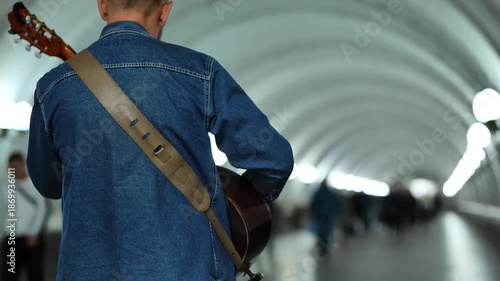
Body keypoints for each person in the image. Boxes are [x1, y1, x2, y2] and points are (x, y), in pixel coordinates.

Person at [26, 0, 294, 280]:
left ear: (103, 6)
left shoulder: (52, 87)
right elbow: (275, 159)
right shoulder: (200, 72)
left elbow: (47, 182)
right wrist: (239, 205)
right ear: (165, 10)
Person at [1, 153, 47, 281]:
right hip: (11, 237)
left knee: (34, 272)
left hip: (31, 237)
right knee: (9, 273)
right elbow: (3, 211)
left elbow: (41, 211)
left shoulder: (35, 185)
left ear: (23, 165)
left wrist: (34, 232)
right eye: (11, 168)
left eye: (17, 167)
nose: (14, 171)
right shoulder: (6, 188)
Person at [310, 180, 342, 256]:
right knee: (323, 231)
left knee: (325, 231)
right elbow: (314, 205)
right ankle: (323, 246)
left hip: (326, 216)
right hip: (323, 216)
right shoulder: (326, 193)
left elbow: (336, 204)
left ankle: (324, 246)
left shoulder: (322, 193)